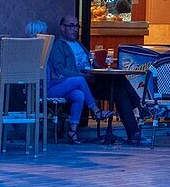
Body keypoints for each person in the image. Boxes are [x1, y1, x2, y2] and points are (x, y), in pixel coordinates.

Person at [46, 14, 142, 144]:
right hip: (80, 83)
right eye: (71, 26)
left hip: (92, 78)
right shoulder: (58, 46)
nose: (75, 29)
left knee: (119, 85)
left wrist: (101, 70)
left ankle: (133, 133)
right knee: (118, 86)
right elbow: (60, 70)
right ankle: (140, 107)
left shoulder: (78, 44)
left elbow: (92, 60)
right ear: (62, 28)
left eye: (77, 26)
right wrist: (82, 75)